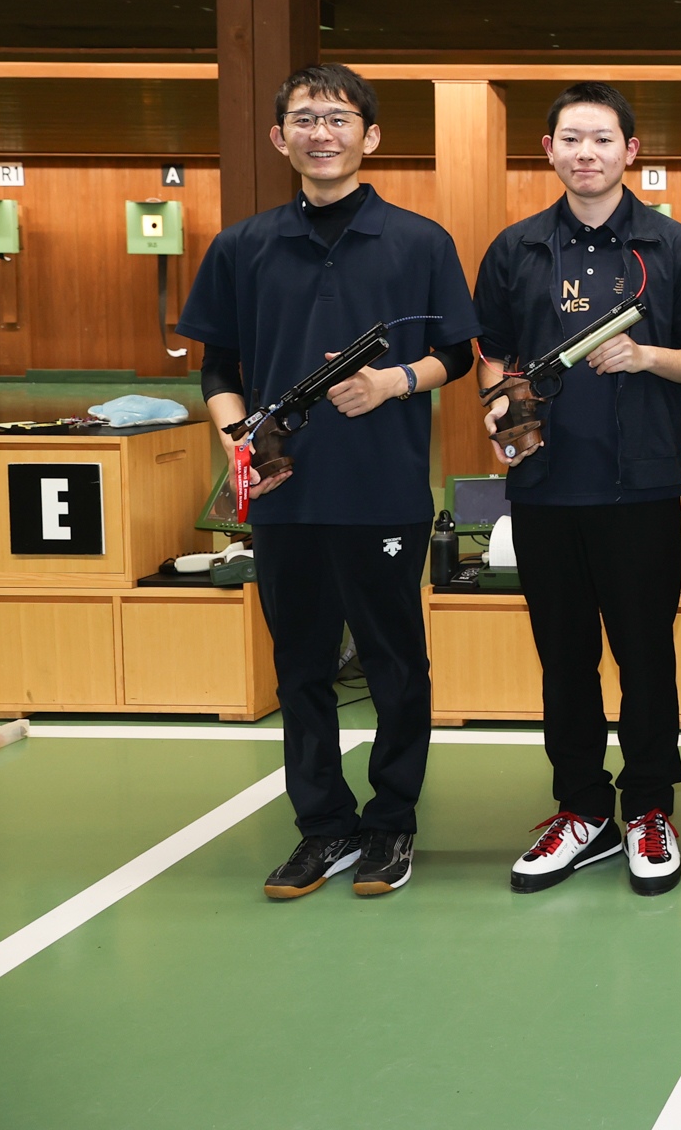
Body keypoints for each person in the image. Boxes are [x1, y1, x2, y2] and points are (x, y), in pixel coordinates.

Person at [177, 63, 479, 901]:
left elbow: (457, 354)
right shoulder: (242, 246)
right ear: (281, 137)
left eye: (339, 118)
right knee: (301, 667)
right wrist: (237, 438)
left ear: (369, 136)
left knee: (394, 665)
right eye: (306, 118)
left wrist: (393, 383)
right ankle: (322, 827)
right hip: (286, 497)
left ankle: (390, 822)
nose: (322, 132)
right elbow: (218, 368)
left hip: (384, 491)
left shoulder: (421, 241)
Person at [472, 83, 681, 896]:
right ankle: (582, 810)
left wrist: (647, 358)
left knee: (646, 654)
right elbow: (493, 352)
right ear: (548, 150)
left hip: (640, 487)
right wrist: (499, 405)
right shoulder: (515, 249)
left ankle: (649, 807)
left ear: (630, 151)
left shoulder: (674, 248)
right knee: (564, 659)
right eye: (572, 139)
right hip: (544, 488)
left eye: (603, 139)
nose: (587, 153)